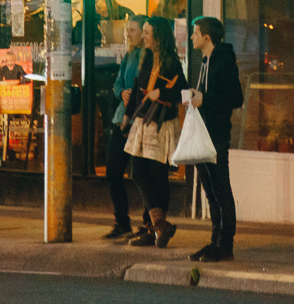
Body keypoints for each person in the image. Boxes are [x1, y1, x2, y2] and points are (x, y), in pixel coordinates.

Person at [122, 16, 183, 248]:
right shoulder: (146, 57)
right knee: (138, 171)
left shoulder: (171, 62)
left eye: (147, 33)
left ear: (158, 36)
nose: (144, 37)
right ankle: (159, 226)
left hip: (160, 123)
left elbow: (182, 90)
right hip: (142, 121)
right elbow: (137, 86)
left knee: (157, 176)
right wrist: (127, 115)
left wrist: (161, 93)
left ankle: (152, 229)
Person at [187, 15, 244, 262]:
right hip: (203, 134)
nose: (192, 37)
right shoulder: (205, 61)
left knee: (221, 189)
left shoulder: (224, 61)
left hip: (216, 135)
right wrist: (195, 96)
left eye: (195, 33)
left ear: (207, 37)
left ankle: (226, 245)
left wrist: (205, 99)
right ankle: (215, 242)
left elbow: (236, 98)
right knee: (210, 191)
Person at [102, 18, 145, 240]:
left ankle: (149, 222)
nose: (128, 34)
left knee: (142, 173)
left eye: (133, 30)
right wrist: (122, 92)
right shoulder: (129, 56)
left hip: (139, 118)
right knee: (113, 170)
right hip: (122, 117)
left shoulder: (148, 56)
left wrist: (133, 93)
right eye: (127, 30)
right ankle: (122, 221)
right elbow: (118, 83)